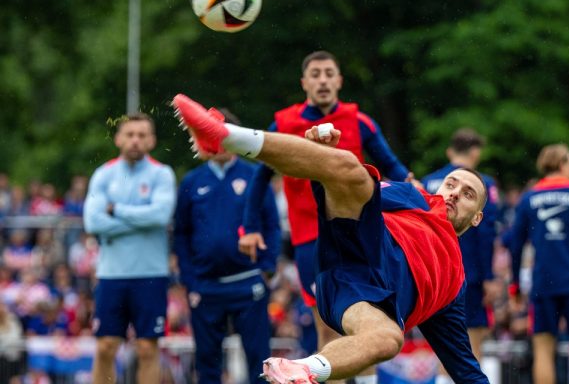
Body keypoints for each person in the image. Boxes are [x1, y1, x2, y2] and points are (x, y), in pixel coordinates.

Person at [172, 94, 489, 383]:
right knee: (351, 168)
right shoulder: (415, 197)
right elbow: (353, 191)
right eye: (451, 184)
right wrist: (323, 156)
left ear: (477, 217)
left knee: (389, 339)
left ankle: (302, 369)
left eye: (468, 194)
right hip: (356, 245)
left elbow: (466, 369)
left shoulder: (454, 284)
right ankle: (226, 136)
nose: (454, 193)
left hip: (359, 299)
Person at [239, 50, 410, 359]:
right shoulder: (283, 123)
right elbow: (259, 178)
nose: (323, 81)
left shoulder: (360, 122)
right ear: (304, 83)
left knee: (371, 320)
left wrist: (416, 196)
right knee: (328, 325)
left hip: (361, 237)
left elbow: (394, 168)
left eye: (329, 74)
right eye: (315, 75)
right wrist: (250, 227)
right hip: (311, 240)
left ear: (339, 81)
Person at [174, 109, 282, 384]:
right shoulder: (192, 181)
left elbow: (272, 225)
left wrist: (267, 269)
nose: (216, 142)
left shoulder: (255, 176)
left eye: (221, 135)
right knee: (207, 361)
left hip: (248, 283)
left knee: (260, 360)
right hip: (206, 286)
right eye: (208, 135)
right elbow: (181, 234)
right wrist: (190, 280)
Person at [503, 144, 569, 384]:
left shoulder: (528, 198)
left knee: (543, 350)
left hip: (543, 282)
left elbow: (516, 246)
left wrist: (515, 285)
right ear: (562, 163)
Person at [83, 113, 176, 383]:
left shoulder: (162, 174)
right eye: (130, 134)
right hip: (112, 275)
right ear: (118, 138)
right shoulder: (103, 174)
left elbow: (160, 216)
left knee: (148, 349)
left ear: (152, 140)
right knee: (105, 347)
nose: (135, 140)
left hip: (151, 274)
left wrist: (116, 211)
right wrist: (140, 220)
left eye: (142, 135)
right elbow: (93, 221)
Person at [421, 128, 499, 377]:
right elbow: (485, 234)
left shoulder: (429, 182)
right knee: (469, 345)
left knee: (442, 342)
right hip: (467, 273)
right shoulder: (483, 185)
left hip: (429, 270)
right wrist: (489, 276)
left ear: (449, 151)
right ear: (475, 152)